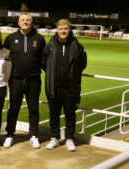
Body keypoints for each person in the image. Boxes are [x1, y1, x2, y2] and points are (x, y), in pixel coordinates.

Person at [42, 19, 87, 152]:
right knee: (54, 115)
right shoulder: (49, 45)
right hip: (53, 87)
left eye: (65, 29)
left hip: (70, 88)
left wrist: (72, 76)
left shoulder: (78, 46)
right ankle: (54, 138)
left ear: (69, 29)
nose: (63, 31)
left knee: (70, 115)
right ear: (57, 29)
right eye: (61, 29)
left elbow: (82, 64)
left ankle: (69, 138)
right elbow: (44, 63)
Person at [3, 12, 46, 149]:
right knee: (13, 108)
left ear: (31, 22)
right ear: (18, 23)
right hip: (15, 80)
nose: (26, 22)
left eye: (28, 20)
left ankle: (33, 135)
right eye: (23, 20)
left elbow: (44, 60)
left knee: (33, 109)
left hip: (33, 80)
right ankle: (10, 134)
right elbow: (3, 58)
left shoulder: (39, 38)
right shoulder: (10, 38)